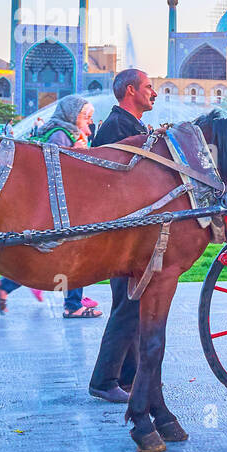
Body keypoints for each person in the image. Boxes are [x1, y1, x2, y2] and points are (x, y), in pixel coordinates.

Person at [0, 95, 103, 319]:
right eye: (85, 116)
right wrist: (79, 151)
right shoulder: (60, 134)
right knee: (74, 253)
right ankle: (73, 305)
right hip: (58, 205)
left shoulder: (65, 132)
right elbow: (54, 168)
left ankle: (7, 285)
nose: (89, 121)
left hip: (57, 204)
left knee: (55, 254)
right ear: (72, 115)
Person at [88, 68, 157, 403]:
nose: (154, 92)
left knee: (130, 303)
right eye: (148, 87)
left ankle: (127, 377)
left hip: (131, 228)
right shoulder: (116, 127)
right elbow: (105, 178)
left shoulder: (130, 125)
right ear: (131, 91)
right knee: (129, 303)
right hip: (120, 230)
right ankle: (104, 380)